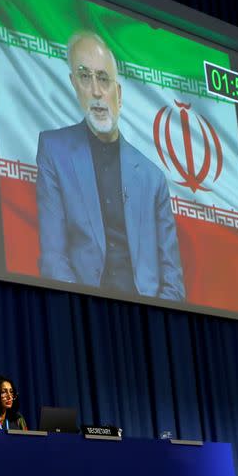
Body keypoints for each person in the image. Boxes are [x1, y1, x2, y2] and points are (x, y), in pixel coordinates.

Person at [35, 31, 184, 300]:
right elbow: (53, 257)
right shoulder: (53, 151)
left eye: (103, 79)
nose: (96, 91)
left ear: (119, 93)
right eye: (85, 76)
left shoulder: (152, 178)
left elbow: (172, 279)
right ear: (73, 84)